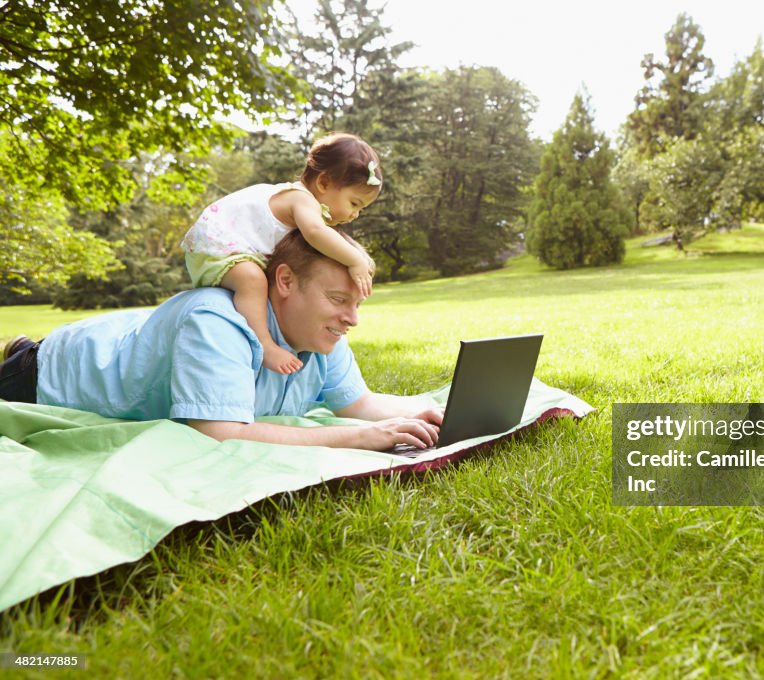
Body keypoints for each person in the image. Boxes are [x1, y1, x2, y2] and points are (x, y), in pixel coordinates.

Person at [0, 231, 443, 452]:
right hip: (50, 373)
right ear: (285, 281)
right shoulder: (218, 321)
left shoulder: (321, 333)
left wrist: (423, 412)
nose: (352, 319)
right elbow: (219, 432)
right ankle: (21, 351)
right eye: (337, 299)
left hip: (133, 341)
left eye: (356, 304)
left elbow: (358, 404)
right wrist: (360, 439)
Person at [180, 132, 380, 375]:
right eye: (354, 203)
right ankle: (264, 345)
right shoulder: (301, 200)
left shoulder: (300, 200)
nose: (355, 214)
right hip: (217, 245)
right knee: (252, 281)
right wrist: (355, 259)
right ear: (324, 182)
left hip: (231, 246)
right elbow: (316, 233)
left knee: (260, 281)